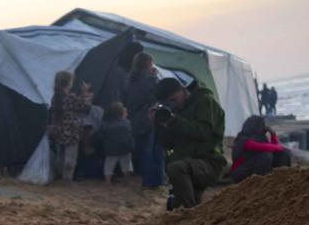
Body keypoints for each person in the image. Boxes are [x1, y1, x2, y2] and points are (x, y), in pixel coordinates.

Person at [154, 77, 227, 210]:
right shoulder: (177, 111)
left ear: (183, 90)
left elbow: (203, 132)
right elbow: (169, 143)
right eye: (168, 103)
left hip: (209, 162)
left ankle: (192, 212)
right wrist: (159, 124)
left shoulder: (205, 101)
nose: (173, 105)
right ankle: (193, 212)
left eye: (173, 100)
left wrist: (173, 120)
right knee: (175, 207)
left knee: (176, 169)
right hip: (189, 164)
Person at [124, 53, 164, 187]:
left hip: (134, 118)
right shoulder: (150, 79)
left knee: (140, 149)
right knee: (152, 150)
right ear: (148, 64)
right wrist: (154, 76)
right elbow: (156, 95)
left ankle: (140, 175)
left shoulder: (129, 79)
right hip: (148, 118)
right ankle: (152, 181)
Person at [48, 70, 93, 182]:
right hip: (71, 131)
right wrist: (85, 93)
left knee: (60, 156)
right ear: (68, 83)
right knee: (70, 158)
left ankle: (59, 175)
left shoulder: (55, 97)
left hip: (58, 129)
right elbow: (85, 108)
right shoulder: (70, 97)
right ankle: (67, 179)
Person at [231, 115, 291, 184]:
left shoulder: (261, 138)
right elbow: (262, 147)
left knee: (283, 153)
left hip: (254, 168)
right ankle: (261, 182)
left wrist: (273, 135)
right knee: (265, 156)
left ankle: (282, 178)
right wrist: (280, 147)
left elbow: (275, 148)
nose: (264, 127)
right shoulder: (243, 140)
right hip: (240, 172)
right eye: (262, 124)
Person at [96, 102, 135, 184]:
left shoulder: (105, 123)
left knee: (109, 165)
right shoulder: (126, 122)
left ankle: (108, 182)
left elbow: (100, 135)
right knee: (126, 165)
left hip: (110, 148)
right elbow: (130, 134)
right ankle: (127, 180)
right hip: (125, 148)